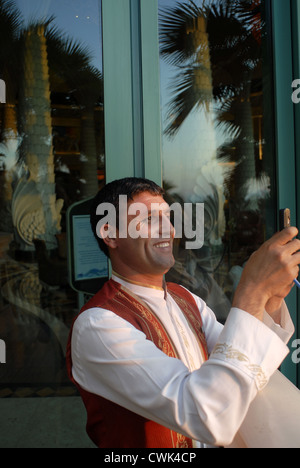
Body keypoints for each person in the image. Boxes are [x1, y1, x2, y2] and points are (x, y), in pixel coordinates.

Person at [66, 177, 298, 448]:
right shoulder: (97, 324)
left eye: (168, 218)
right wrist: (252, 291)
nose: (170, 231)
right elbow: (206, 417)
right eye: (151, 219)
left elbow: (249, 369)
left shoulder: (185, 299)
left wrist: (270, 298)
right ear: (110, 234)